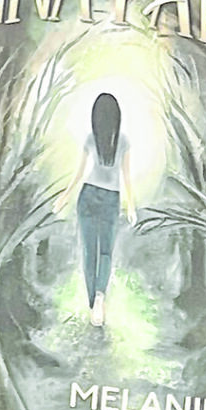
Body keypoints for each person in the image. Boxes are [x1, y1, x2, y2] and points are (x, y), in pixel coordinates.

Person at [75, 91, 134, 327]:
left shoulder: (91, 138)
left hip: (87, 195)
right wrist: (130, 205)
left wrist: (65, 196)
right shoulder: (124, 141)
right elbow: (126, 177)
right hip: (111, 198)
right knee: (105, 253)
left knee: (89, 254)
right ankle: (100, 297)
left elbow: (79, 174)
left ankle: (93, 308)